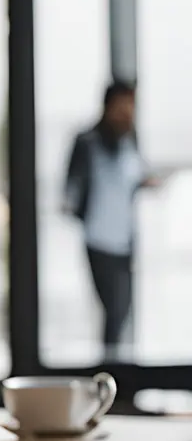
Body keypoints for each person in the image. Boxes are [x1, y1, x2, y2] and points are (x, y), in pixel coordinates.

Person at [64, 81, 159, 356]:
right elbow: (73, 187)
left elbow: (133, 177)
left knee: (123, 310)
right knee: (114, 309)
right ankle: (109, 375)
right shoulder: (88, 143)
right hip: (99, 238)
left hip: (124, 240)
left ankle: (116, 375)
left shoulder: (130, 141)